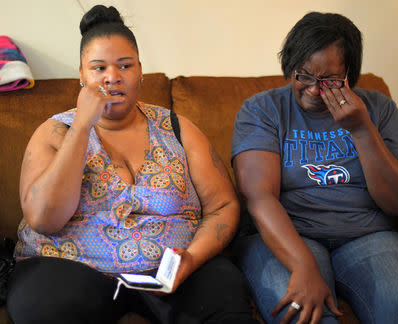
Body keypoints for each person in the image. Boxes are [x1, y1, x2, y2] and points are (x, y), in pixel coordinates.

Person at [6, 5, 258, 324]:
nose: (112, 77)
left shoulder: (178, 129)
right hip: (70, 269)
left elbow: (222, 205)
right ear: (81, 75)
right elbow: (44, 219)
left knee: (223, 293)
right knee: (42, 305)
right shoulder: (56, 131)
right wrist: (83, 125)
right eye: (98, 68)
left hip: (170, 273)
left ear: (139, 71)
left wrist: (191, 258)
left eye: (124, 65)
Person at [231, 12, 398, 324]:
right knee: (303, 314)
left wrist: (362, 129)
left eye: (328, 81)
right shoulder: (262, 110)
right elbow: (259, 197)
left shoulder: (379, 108)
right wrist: (302, 265)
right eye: (304, 76)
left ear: (350, 73)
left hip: (368, 235)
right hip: (291, 235)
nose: (313, 90)